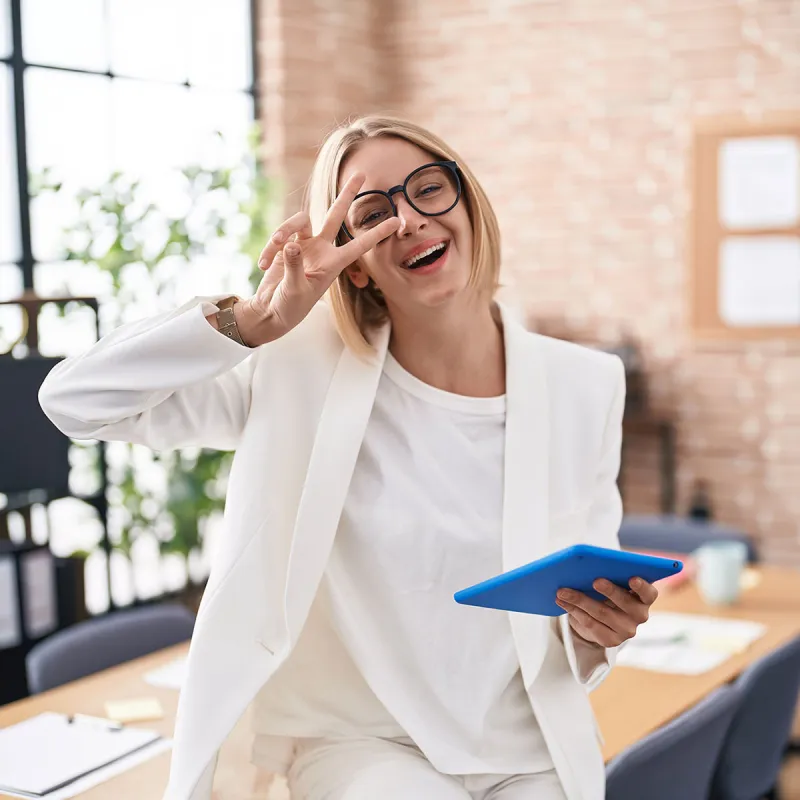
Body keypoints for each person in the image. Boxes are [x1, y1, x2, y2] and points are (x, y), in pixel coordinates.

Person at [38, 116, 657, 800]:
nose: (410, 221)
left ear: (469, 203)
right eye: (372, 214)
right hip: (362, 744)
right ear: (352, 259)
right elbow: (76, 401)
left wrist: (603, 628)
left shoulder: (586, 384)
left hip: (528, 741)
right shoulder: (294, 370)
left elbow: (586, 595)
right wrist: (252, 321)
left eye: (428, 189)